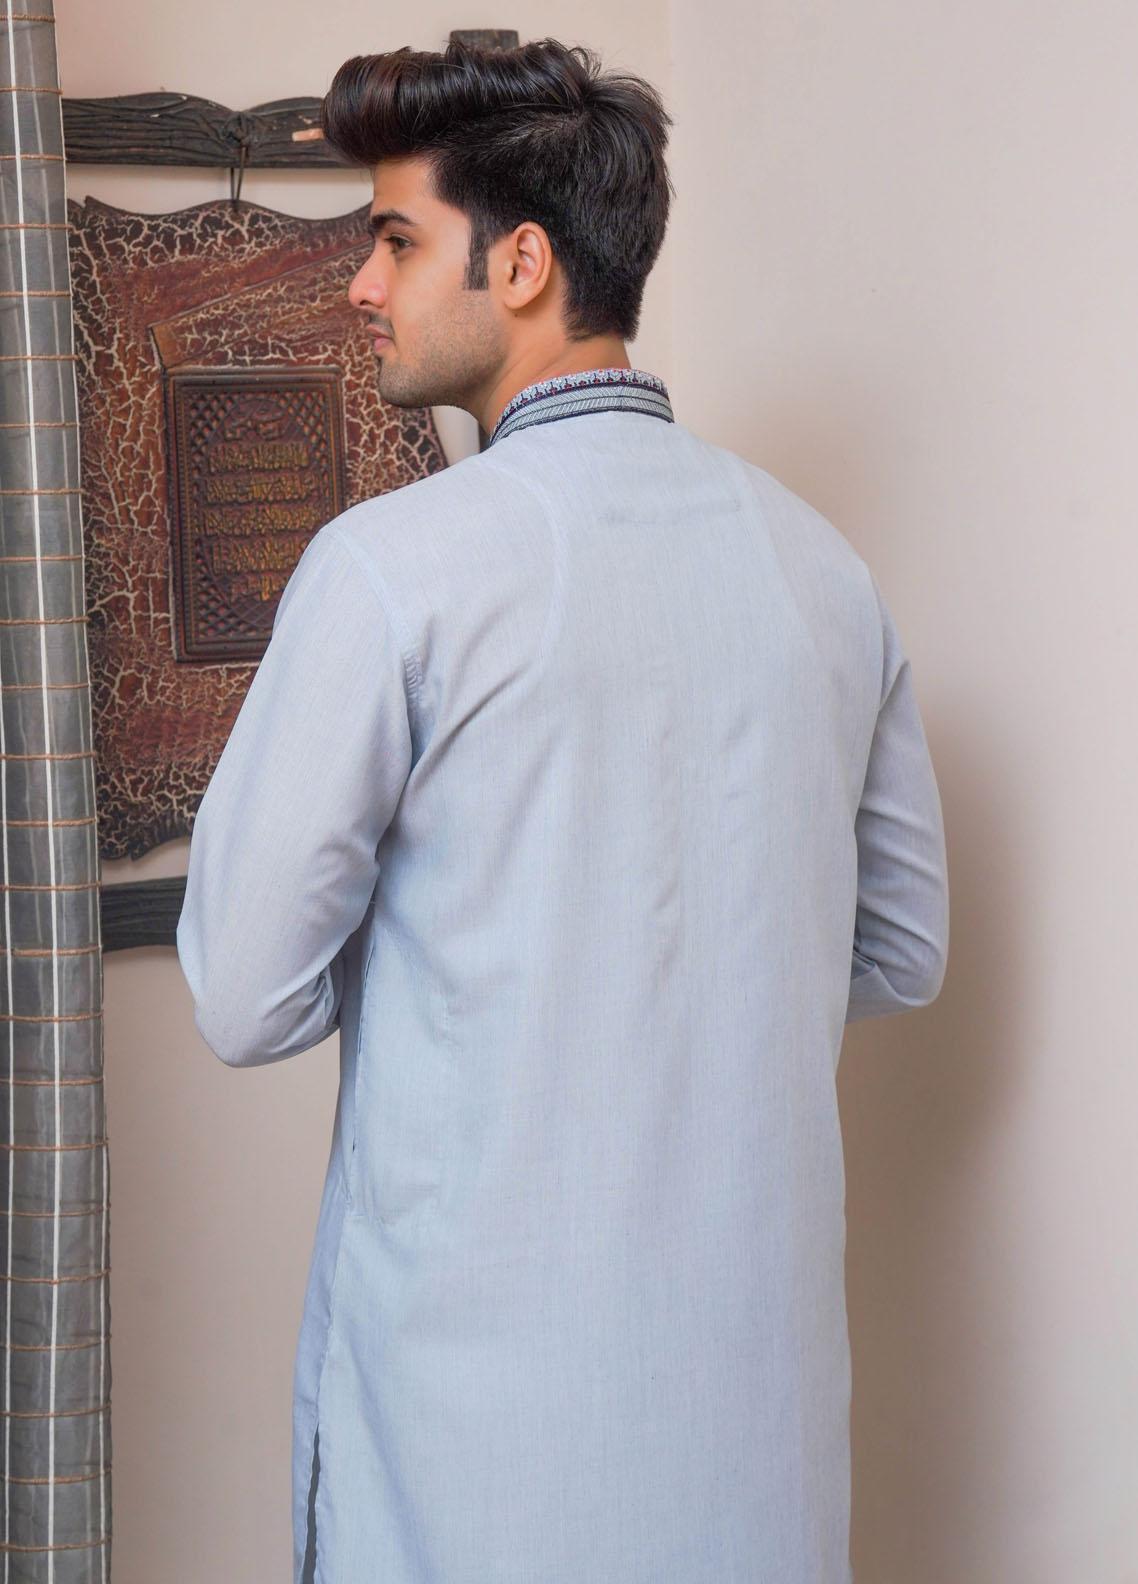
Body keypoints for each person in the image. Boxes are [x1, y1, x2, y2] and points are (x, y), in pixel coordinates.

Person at [176, 35, 949, 1584]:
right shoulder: (818, 568)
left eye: (396, 240)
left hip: (470, 1451)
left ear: (520, 262)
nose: (362, 286)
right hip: (753, 1434)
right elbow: (898, 952)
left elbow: (246, 996)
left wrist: (477, 973)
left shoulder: (392, 572)